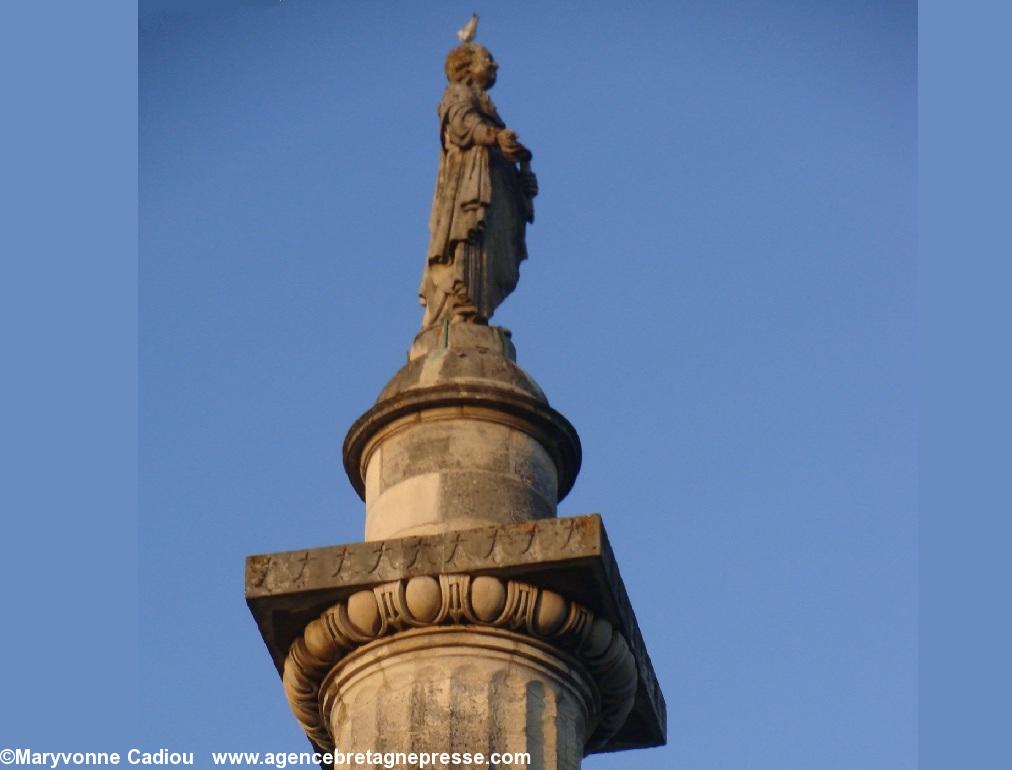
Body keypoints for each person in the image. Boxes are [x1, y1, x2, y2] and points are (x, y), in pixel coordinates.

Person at [418, 43, 539, 329]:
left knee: (486, 241)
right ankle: (460, 305)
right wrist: (494, 137)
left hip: (491, 186)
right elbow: (462, 125)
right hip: (468, 186)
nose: (495, 65)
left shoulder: (487, 106)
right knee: (468, 237)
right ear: (466, 67)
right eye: (489, 59)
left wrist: (522, 183)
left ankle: (476, 309)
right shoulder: (459, 93)